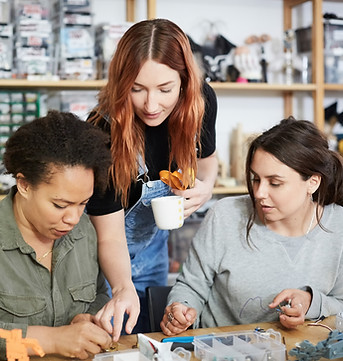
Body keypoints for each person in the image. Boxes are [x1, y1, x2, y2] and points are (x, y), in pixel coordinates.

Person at [86, 18, 218, 336]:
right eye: (137, 89)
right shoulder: (103, 131)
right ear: (121, 83)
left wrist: (207, 187)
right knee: (109, 339)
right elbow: (110, 236)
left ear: (185, 80)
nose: (151, 104)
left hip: (155, 247)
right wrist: (121, 287)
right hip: (102, 256)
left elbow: (208, 160)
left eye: (165, 89)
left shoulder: (200, 102)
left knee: (149, 337)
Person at [160, 116, 343, 335]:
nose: (259, 193)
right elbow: (190, 287)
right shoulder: (225, 215)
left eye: (275, 183)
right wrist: (181, 310)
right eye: (256, 179)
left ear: (312, 182)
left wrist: (311, 301)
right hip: (219, 350)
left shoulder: (338, 226)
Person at [0, 110, 113, 359]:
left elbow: (100, 293)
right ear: (24, 185)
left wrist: (91, 317)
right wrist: (51, 339)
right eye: (60, 205)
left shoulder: (84, 231)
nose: (73, 218)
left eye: (83, 203)